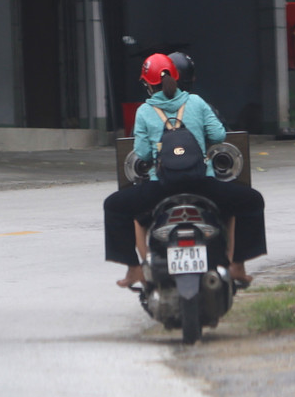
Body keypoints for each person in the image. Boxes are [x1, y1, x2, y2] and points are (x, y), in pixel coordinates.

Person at [103, 51, 267, 289]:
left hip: (161, 187)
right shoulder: (196, 102)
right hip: (202, 183)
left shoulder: (144, 111)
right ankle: (237, 266)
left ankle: (135, 269)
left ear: (147, 84)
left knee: (114, 206)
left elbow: (143, 153)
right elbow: (220, 135)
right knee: (252, 200)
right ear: (177, 77)